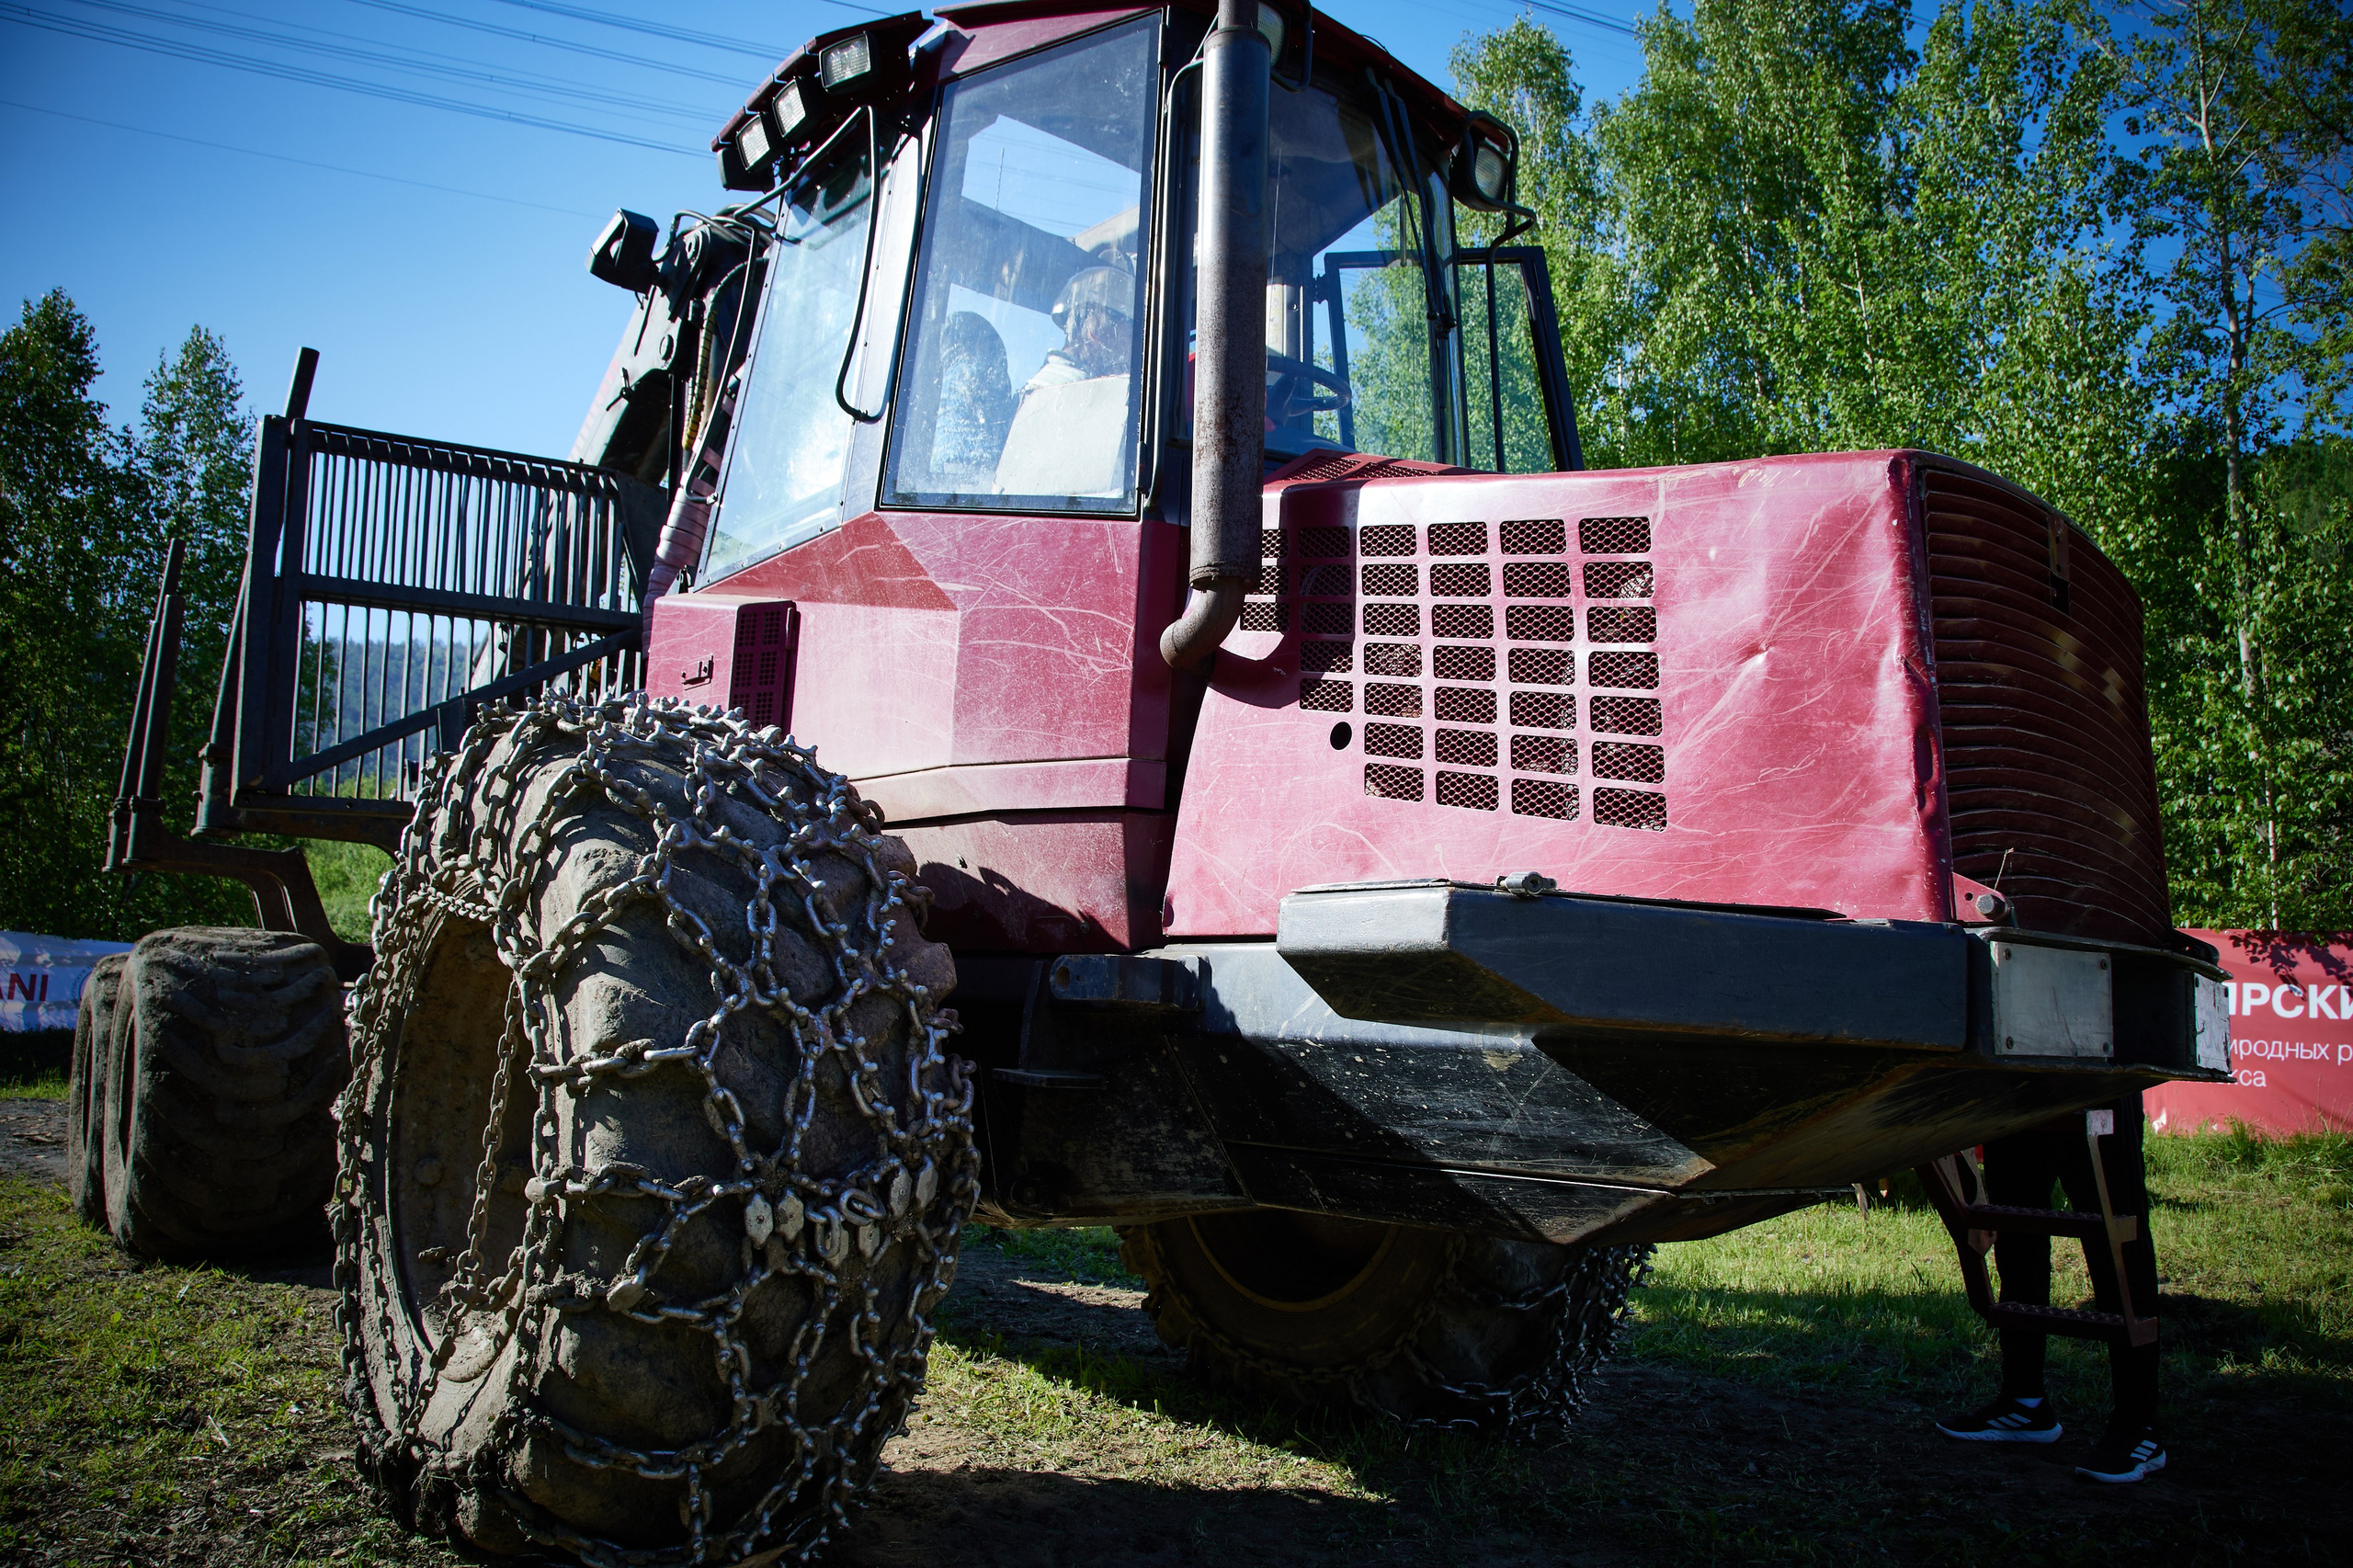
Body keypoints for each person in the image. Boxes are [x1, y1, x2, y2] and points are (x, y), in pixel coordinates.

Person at [1936, 1091, 2166, 1483]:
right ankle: (2024, 1401)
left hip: (2102, 1075)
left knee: (2117, 1238)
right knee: (2017, 1225)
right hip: (2016, 1077)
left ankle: (2138, 1426)